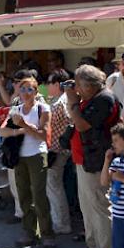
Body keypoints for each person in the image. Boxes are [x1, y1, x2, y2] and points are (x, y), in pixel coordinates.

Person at [65, 65, 121, 248]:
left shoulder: (104, 99)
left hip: (98, 161)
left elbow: (82, 125)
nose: (75, 89)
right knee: (87, 208)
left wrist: (72, 102)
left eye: (78, 84)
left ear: (89, 85)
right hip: (84, 160)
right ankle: (93, 247)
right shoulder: (90, 99)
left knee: (99, 207)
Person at [0, 76, 55, 248]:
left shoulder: (42, 108)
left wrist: (23, 124)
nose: (25, 93)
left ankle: (47, 234)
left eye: (29, 89)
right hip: (19, 157)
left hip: (37, 154)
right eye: (22, 89)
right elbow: (2, 131)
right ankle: (29, 231)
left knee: (39, 195)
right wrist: (19, 131)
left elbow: (43, 135)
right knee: (23, 195)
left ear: (36, 92)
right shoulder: (15, 109)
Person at [45, 69, 73, 235]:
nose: (47, 86)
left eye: (49, 82)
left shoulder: (60, 102)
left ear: (57, 84)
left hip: (57, 150)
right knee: (54, 186)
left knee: (54, 187)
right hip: (58, 148)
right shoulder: (59, 100)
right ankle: (59, 221)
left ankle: (61, 223)